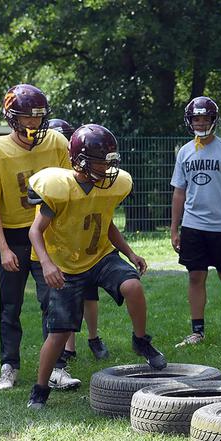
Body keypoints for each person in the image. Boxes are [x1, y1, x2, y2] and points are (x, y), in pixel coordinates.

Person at [26, 124, 166, 409]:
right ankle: (39, 389)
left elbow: (106, 224)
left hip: (100, 255)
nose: (108, 167)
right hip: (66, 265)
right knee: (59, 333)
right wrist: (47, 263)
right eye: (102, 161)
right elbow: (34, 231)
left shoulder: (110, 185)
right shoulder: (59, 188)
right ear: (80, 160)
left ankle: (141, 340)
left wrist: (129, 253)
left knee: (132, 285)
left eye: (110, 160)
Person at [0, 84, 81, 391]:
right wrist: (3, 248)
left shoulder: (55, 142)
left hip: (46, 232)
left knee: (52, 300)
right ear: (11, 118)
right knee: (10, 305)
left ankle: (57, 367)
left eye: (39, 116)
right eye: (27, 116)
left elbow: (69, 187)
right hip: (13, 235)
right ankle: (9, 366)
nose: (34, 122)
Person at [169, 96, 221, 347]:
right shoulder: (184, 151)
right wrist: (175, 227)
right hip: (193, 224)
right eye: (196, 118)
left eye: (205, 118)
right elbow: (179, 191)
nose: (201, 122)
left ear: (214, 120)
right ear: (189, 121)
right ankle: (197, 331)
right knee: (195, 276)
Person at [47, 118, 109, 361]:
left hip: (86, 238)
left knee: (90, 295)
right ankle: (69, 347)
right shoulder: (53, 176)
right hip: (62, 239)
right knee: (67, 297)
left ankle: (93, 337)